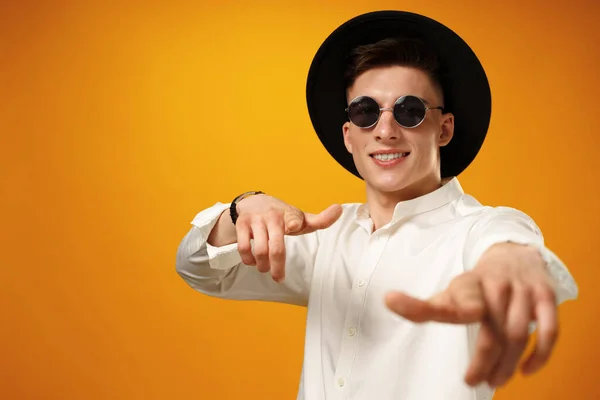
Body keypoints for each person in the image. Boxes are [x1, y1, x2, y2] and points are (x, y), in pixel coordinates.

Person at [175, 10, 578, 400]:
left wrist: (509, 264)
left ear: (445, 128)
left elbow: (512, 248)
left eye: (409, 111)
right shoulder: (325, 239)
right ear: (350, 136)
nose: (385, 130)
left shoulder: (480, 229)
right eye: (366, 112)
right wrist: (242, 207)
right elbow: (199, 270)